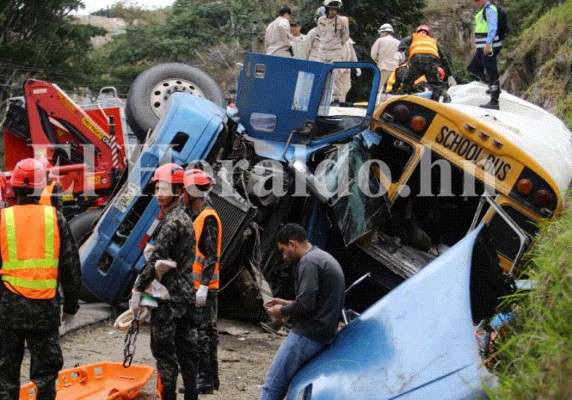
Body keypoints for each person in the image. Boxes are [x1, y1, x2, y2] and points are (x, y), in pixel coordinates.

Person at [0, 158, 81, 399]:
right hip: (44, 311)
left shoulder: (3, 219)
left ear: (14, 187)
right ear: (40, 188)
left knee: (6, 377)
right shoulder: (55, 219)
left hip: (9, 311)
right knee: (45, 378)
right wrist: (71, 307)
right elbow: (70, 268)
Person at [131, 162, 199, 400]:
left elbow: (157, 260)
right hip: (185, 296)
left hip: (169, 300)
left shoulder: (171, 222)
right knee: (188, 353)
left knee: (164, 355)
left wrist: (137, 290)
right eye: (157, 188)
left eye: (164, 188)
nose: (159, 193)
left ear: (179, 191)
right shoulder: (183, 218)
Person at [260, 223, 345, 400]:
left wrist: (281, 311)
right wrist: (286, 302)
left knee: (272, 385)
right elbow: (316, 302)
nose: (283, 256)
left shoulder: (308, 262)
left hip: (307, 335)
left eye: (283, 250)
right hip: (322, 333)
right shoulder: (322, 258)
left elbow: (306, 305)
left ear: (292, 244)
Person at [182, 169, 222, 395]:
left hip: (203, 288)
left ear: (192, 192)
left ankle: (204, 380)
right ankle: (211, 379)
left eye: (185, 190)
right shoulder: (201, 215)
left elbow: (210, 256)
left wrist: (204, 286)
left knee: (201, 333)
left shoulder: (207, 217)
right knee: (209, 331)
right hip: (203, 287)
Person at [398, 25, 452, 102]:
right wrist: (450, 74)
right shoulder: (433, 41)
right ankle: (446, 99)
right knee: (437, 85)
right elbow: (444, 58)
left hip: (417, 61)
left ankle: (404, 99)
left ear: (417, 31)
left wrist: (400, 51)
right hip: (431, 62)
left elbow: (404, 41)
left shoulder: (414, 36)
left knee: (407, 81)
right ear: (428, 33)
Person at [468, 0, 502, 110]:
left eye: (477, 0)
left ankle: (494, 101)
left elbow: (492, 27)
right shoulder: (483, 9)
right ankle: (491, 86)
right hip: (482, 47)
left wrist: (488, 44)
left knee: (492, 72)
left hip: (489, 46)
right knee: (473, 67)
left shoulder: (489, 9)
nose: (475, 2)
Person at [316, 0, 349, 104]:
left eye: (335, 9)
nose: (333, 11)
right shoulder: (321, 20)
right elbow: (320, 33)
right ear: (327, 9)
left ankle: (336, 99)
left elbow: (345, 37)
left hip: (335, 52)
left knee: (336, 76)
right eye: (331, 9)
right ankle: (319, 98)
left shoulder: (341, 21)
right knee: (321, 74)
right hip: (322, 52)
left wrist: (336, 45)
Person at [370, 23, 400, 92]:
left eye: (381, 33)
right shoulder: (398, 42)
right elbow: (402, 58)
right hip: (394, 70)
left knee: (377, 89)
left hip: (382, 68)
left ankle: (378, 103)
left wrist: (379, 60)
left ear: (385, 32)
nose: (380, 35)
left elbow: (373, 55)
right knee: (392, 91)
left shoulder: (380, 40)